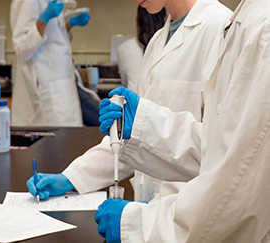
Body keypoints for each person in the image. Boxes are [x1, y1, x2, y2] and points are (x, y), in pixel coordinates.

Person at [95, 0, 270, 242]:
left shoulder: (261, 27)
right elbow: (214, 143)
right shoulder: (241, 21)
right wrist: (143, 126)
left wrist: (139, 224)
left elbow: (239, 187)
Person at [26, 0, 231, 205]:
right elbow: (133, 136)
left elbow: (222, 150)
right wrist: (72, 178)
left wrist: (160, 213)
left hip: (187, 214)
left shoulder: (221, 28)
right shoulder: (159, 40)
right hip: (152, 213)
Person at [10, 0, 98, 126]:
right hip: (46, 83)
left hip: (63, 81)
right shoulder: (27, 2)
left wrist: (69, 25)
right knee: (58, 139)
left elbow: (54, 38)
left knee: (71, 135)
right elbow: (22, 48)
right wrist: (44, 19)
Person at [117, 6, 166, 92]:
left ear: (137, 21)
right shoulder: (168, 45)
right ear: (165, 20)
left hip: (133, 102)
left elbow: (125, 81)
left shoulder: (125, 48)